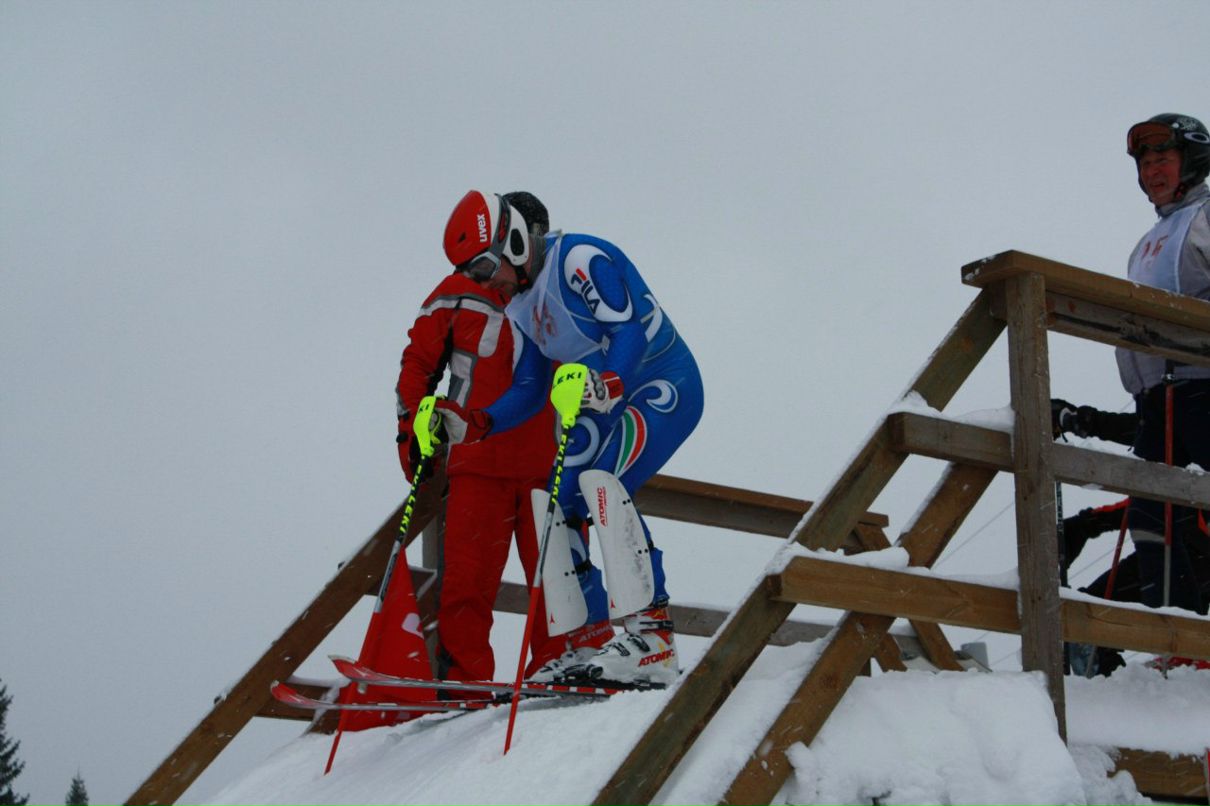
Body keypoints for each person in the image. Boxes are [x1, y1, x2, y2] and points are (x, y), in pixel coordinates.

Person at [430, 189, 705, 688]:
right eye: (473, 275)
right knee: (561, 495)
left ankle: (651, 637)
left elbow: (628, 334)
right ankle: (589, 638)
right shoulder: (519, 304)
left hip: (661, 381)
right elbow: (533, 386)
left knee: (604, 478)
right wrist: (478, 422)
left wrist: (612, 383)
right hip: (600, 394)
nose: (487, 282)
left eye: (487, 266)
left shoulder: (578, 258)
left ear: (513, 240)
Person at [395, 191, 593, 686]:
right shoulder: (455, 292)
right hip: (477, 465)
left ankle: (560, 668)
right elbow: (417, 368)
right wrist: (411, 441)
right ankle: (465, 682)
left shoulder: (556, 294)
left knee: (561, 580)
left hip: (551, 464)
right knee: (466, 584)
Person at [1115, 112, 1210, 619]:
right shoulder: (1149, 240)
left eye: (1163, 159)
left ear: (1190, 161)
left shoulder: (1205, 216)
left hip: (1203, 386)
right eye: (1145, 162)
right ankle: (1176, 641)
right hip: (1157, 398)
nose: (1153, 170)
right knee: (1151, 517)